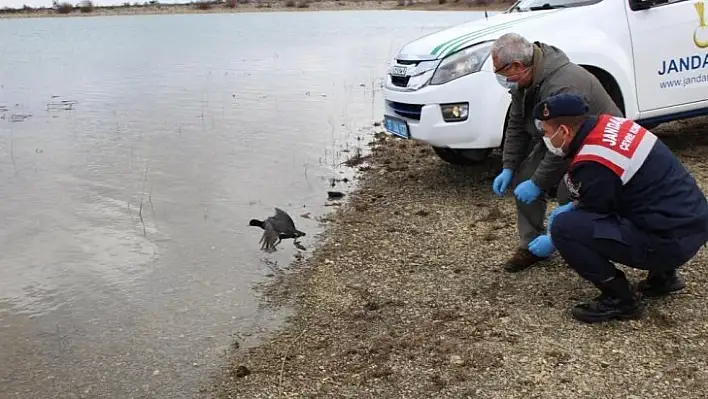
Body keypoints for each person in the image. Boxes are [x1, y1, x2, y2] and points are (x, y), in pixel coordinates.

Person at [527, 92, 708, 324]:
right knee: (638, 198)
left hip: (669, 241)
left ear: (564, 131)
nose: (545, 137)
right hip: (692, 221)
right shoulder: (613, 125)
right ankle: (664, 277)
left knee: (566, 228)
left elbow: (596, 210)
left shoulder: (593, 160)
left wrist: (555, 234)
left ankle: (620, 299)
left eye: (547, 132)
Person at [489, 33, 624, 273]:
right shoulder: (524, 81)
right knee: (525, 177)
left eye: (501, 72)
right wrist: (508, 166)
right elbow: (517, 123)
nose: (501, 78)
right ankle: (531, 244)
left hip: (597, 143)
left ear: (518, 66)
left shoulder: (563, 84)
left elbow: (564, 143)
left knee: (569, 194)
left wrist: (539, 183)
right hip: (560, 138)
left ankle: (577, 245)